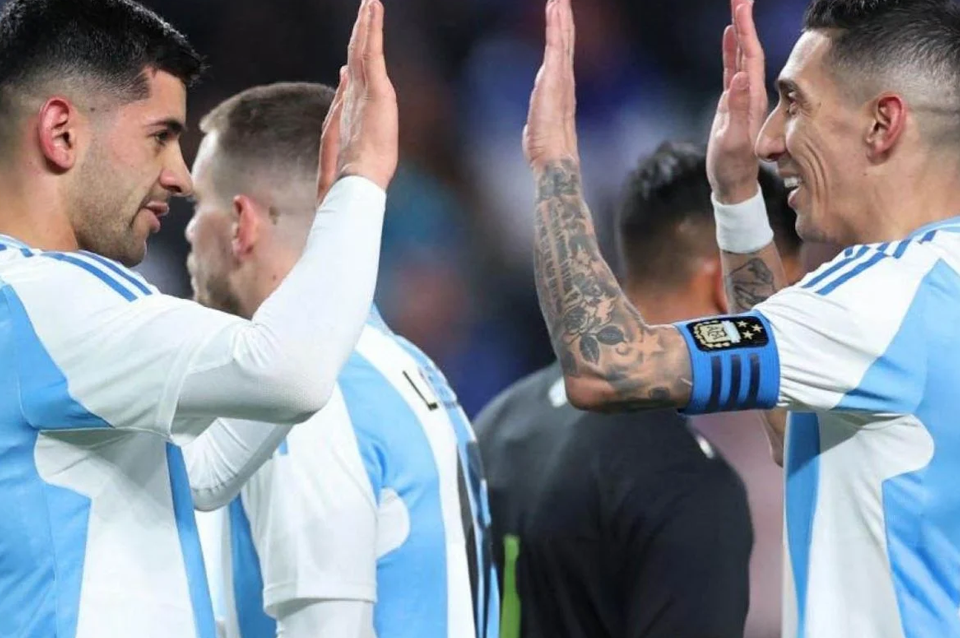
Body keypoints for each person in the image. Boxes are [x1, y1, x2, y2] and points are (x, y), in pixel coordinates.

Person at [522, 0, 960, 636]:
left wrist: (553, 168)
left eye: (795, 103)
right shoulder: (933, 290)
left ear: (882, 124)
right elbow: (792, 428)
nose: (768, 139)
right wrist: (735, 196)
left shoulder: (880, 297)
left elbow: (605, 365)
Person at [0, 0, 397, 635]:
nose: (181, 178)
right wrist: (364, 180)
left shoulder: (29, 310)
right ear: (62, 133)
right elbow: (289, 371)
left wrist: (327, 236)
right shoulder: (45, 296)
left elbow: (199, 471)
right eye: (160, 136)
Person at [184, 82, 499, 638]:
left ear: (241, 223)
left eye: (198, 204)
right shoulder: (400, 364)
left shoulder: (304, 394)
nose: (187, 230)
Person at [476, 142, 801, 638]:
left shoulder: (497, 422)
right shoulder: (688, 485)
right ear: (727, 289)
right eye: (785, 298)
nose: (790, 332)